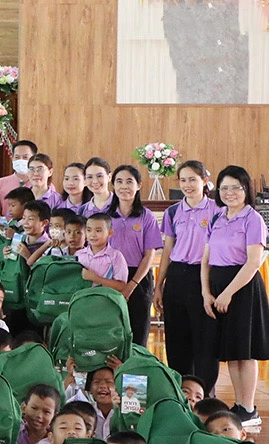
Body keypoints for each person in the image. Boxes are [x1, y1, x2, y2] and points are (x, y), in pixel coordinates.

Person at [202, 165, 269, 424]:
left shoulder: (253, 219)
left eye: (235, 188)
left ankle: (249, 408)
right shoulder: (217, 218)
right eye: (224, 188)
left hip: (242, 289)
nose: (229, 193)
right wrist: (206, 293)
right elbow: (205, 260)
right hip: (218, 288)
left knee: (245, 349)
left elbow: (253, 263)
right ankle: (239, 404)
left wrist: (228, 293)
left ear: (246, 189)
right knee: (231, 349)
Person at [157, 161, 218, 385]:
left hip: (205, 277)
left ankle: (204, 392)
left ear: (204, 180)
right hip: (177, 276)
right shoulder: (173, 212)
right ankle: (180, 390)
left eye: (192, 179)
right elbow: (168, 250)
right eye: (183, 180)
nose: (187, 185)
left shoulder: (217, 210)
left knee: (205, 338)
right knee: (176, 338)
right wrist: (159, 285)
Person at [105, 165, 163, 345]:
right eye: (119, 181)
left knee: (138, 334)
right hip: (110, 277)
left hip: (139, 278)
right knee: (111, 333)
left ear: (139, 185)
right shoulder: (105, 216)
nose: (124, 186)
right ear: (113, 185)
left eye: (129, 181)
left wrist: (131, 285)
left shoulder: (147, 217)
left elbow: (149, 255)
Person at [0, 140, 37, 206]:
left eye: (25, 157)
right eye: (17, 157)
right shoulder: (0, 184)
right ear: (12, 158)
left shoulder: (42, 184)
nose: (20, 160)